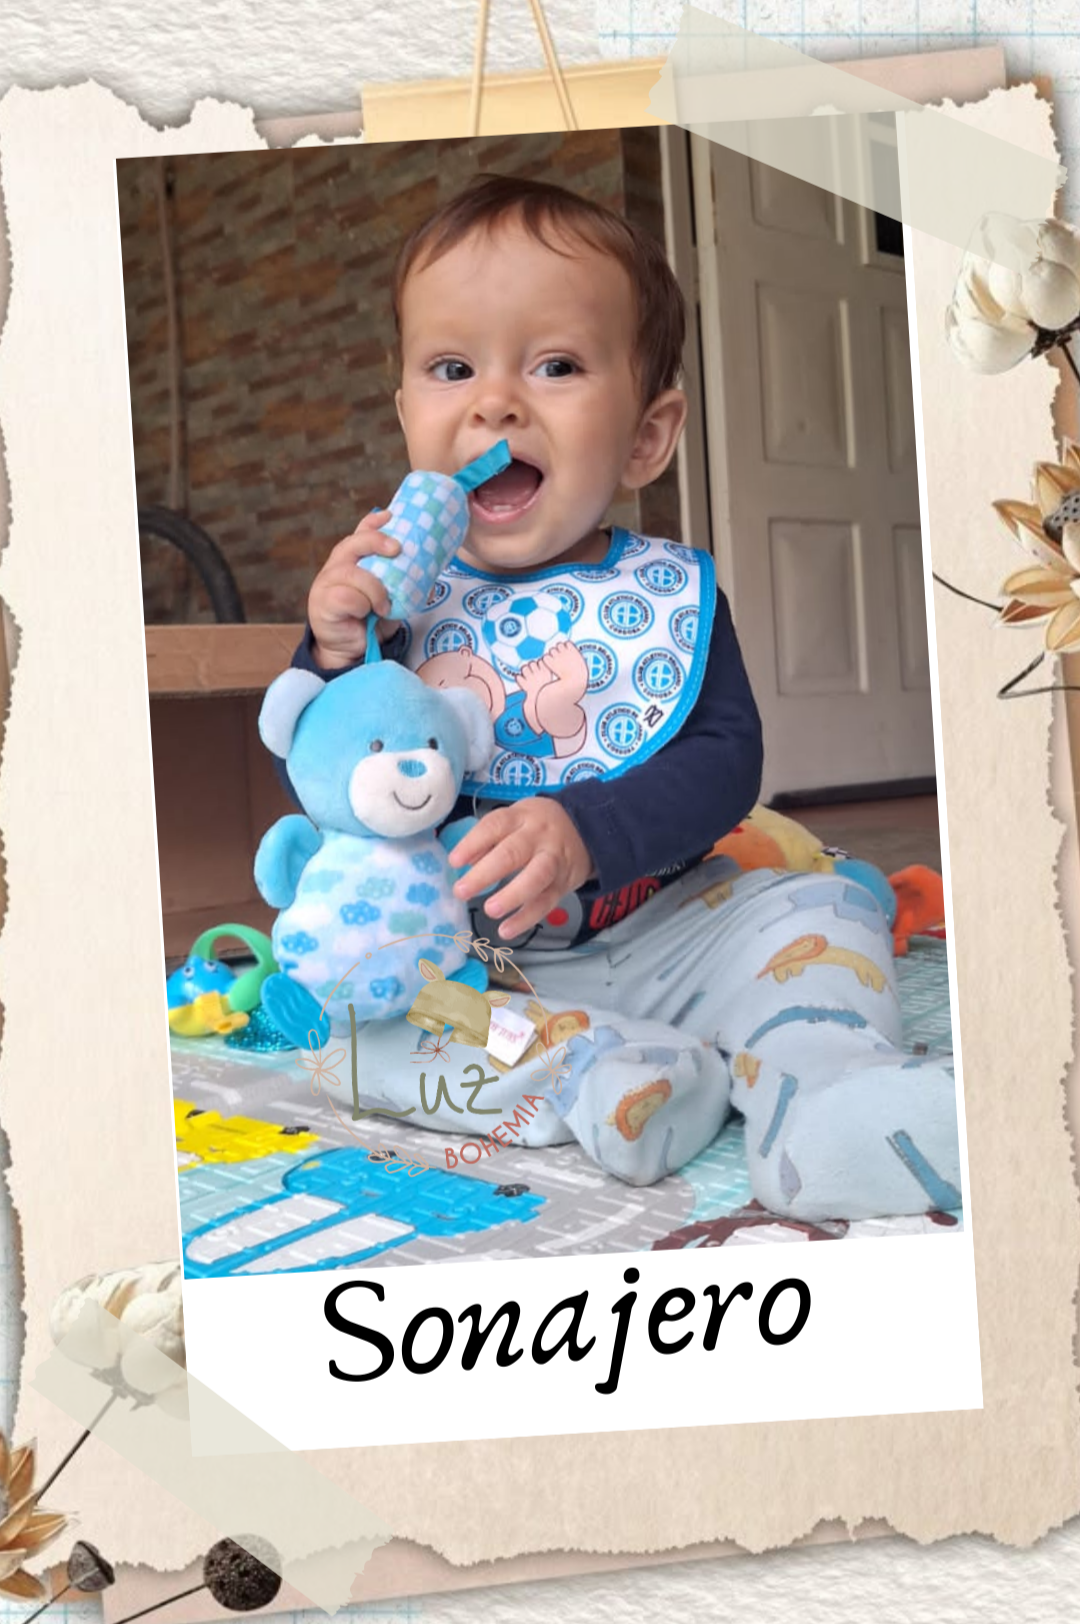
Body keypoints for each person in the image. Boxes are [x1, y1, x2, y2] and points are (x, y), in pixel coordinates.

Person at [279, 174, 960, 1221]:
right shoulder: (394, 608)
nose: (495, 403)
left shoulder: (663, 598)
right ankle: (613, 1075)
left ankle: (827, 1095)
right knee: (348, 1041)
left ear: (646, 435)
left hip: (679, 925)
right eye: (452, 368)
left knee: (816, 915)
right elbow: (331, 769)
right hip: (483, 967)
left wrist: (588, 829)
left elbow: (725, 762)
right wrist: (332, 652)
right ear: (408, 412)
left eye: (555, 366)